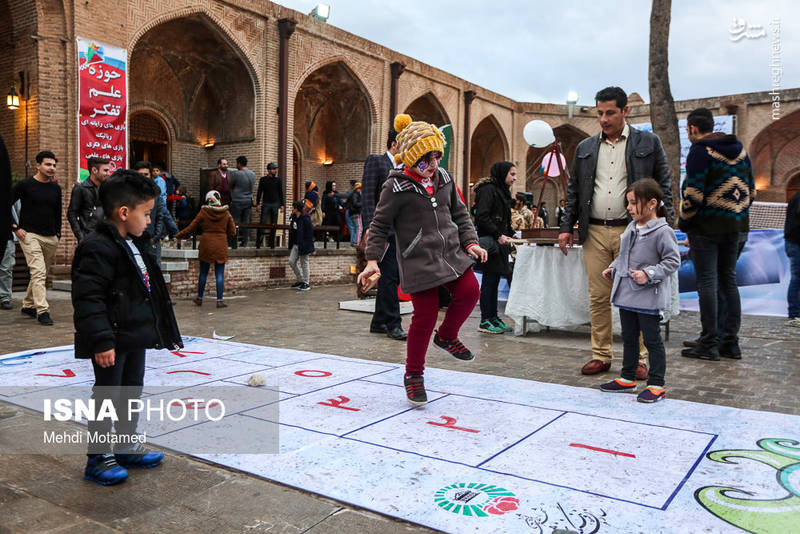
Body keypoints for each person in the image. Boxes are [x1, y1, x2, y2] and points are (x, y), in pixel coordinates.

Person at [359, 114, 488, 406]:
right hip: (418, 259)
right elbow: (378, 226)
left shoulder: (443, 178)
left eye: (436, 158)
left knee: (470, 292)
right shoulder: (396, 187)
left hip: (452, 253)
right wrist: (372, 260)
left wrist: (471, 242)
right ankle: (414, 375)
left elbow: (460, 214)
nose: (432, 166)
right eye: (425, 160)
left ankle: (447, 335)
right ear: (411, 158)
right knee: (424, 316)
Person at [72, 169, 182, 485]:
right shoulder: (97, 246)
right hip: (112, 339)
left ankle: (124, 444)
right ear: (123, 212)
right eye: (146, 214)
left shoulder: (134, 243)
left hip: (134, 335)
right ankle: (98, 457)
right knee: (107, 394)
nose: (149, 221)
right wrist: (102, 341)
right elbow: (89, 298)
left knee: (131, 390)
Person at [558, 86, 673, 378]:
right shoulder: (585, 148)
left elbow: (664, 186)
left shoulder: (648, 142)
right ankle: (601, 355)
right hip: (594, 231)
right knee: (598, 297)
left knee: (639, 297)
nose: (604, 119)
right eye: (599, 113)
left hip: (635, 233)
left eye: (610, 112)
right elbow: (573, 192)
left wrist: (661, 224)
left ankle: (640, 360)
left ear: (625, 111)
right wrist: (565, 228)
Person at [679, 107, 754, 360]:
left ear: (692, 128)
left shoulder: (700, 151)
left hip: (707, 227)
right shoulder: (741, 150)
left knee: (708, 283)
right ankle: (729, 342)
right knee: (728, 281)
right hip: (735, 227)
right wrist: (735, 214)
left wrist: (684, 222)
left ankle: (709, 343)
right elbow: (751, 191)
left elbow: (693, 195)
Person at [599, 178, 679, 403]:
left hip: (648, 296)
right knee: (629, 337)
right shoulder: (632, 227)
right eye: (628, 203)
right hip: (627, 293)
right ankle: (627, 378)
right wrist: (613, 268)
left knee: (652, 340)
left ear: (652, 203)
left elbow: (672, 261)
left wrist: (649, 274)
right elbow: (624, 256)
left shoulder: (663, 232)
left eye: (634, 203)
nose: (629, 207)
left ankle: (656, 384)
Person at [361, 129, 407, 340]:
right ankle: (393, 323)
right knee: (389, 277)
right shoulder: (377, 162)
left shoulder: (406, 169)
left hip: (399, 231)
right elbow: (368, 195)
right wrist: (370, 226)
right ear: (394, 144)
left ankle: (379, 321)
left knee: (390, 276)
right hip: (382, 230)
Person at [11, 150, 62, 326]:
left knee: (40, 273)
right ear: (38, 165)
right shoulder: (25, 185)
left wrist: (58, 233)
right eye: (48, 164)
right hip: (29, 235)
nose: (52, 168)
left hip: (50, 237)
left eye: (54, 165)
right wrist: (15, 227)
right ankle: (42, 311)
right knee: (39, 273)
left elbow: (57, 212)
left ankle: (27, 304)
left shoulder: (55, 188)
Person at [474, 161, 516, 334]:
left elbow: (504, 220)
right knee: (489, 283)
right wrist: (498, 235)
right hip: (491, 244)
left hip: (500, 245)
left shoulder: (501, 191)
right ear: (502, 173)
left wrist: (512, 235)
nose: (514, 178)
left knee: (495, 280)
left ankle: (493, 317)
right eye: (512, 174)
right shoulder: (488, 190)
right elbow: (482, 217)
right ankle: (485, 320)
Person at [175, 190, 236, 308]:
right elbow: (233, 231)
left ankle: (199, 298)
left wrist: (179, 235)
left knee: (203, 273)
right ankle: (219, 300)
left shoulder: (203, 212)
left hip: (206, 244)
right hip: (221, 244)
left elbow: (191, 227)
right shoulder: (226, 213)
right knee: (219, 274)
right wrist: (224, 236)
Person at [133, 161, 178, 265]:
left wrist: (156, 236)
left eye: (146, 174)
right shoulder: (129, 193)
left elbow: (162, 214)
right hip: (134, 239)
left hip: (151, 239)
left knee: (154, 273)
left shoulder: (155, 193)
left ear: (150, 175)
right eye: (140, 175)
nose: (143, 177)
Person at [68, 157, 111, 243]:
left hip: (106, 236)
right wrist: (80, 236)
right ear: (94, 170)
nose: (108, 173)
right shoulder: (80, 188)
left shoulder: (108, 188)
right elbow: (71, 213)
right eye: (105, 170)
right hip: (88, 236)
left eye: (109, 170)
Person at [255, 162, 284, 248]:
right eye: (273, 169)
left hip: (275, 204)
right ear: (268, 170)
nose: (275, 170)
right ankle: (258, 243)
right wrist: (257, 204)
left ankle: (272, 244)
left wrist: (282, 205)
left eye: (276, 169)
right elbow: (259, 192)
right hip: (266, 203)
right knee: (262, 223)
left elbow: (280, 193)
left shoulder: (278, 180)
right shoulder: (263, 179)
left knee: (274, 224)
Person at [288, 199, 314, 291]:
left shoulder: (306, 218)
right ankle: (300, 279)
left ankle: (306, 283)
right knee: (291, 261)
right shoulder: (295, 217)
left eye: (292, 207)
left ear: (296, 209)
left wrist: (305, 244)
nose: (291, 209)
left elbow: (309, 232)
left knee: (304, 263)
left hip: (304, 244)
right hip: (296, 244)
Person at [229, 155, 255, 247]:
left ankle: (233, 242)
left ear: (239, 163)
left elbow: (230, 185)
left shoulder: (236, 174)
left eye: (236, 163)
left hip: (237, 200)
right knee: (246, 222)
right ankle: (245, 242)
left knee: (234, 221)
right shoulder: (252, 174)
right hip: (248, 201)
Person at [786, 188, 800, 327]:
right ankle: (795, 314)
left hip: (793, 242)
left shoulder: (795, 196)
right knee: (797, 278)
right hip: (796, 243)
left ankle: (795, 313)